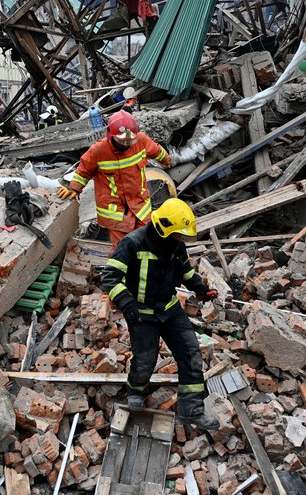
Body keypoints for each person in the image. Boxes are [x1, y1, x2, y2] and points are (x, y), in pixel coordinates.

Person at [100, 198, 219, 429]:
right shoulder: (132, 243)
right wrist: (127, 303)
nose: (180, 238)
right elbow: (110, 277)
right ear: (164, 228)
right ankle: (135, 392)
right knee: (145, 359)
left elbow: (186, 272)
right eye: (177, 234)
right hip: (142, 313)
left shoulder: (176, 246)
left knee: (191, 353)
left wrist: (201, 289)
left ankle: (192, 411)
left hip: (169, 309)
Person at [57, 110, 171, 250]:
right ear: (110, 135)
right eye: (122, 141)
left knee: (147, 243)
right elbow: (84, 169)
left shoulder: (140, 140)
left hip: (140, 205)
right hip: (116, 211)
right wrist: (73, 188)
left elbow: (157, 151)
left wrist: (167, 159)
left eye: (130, 141)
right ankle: (120, 271)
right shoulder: (99, 150)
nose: (126, 145)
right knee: (122, 249)